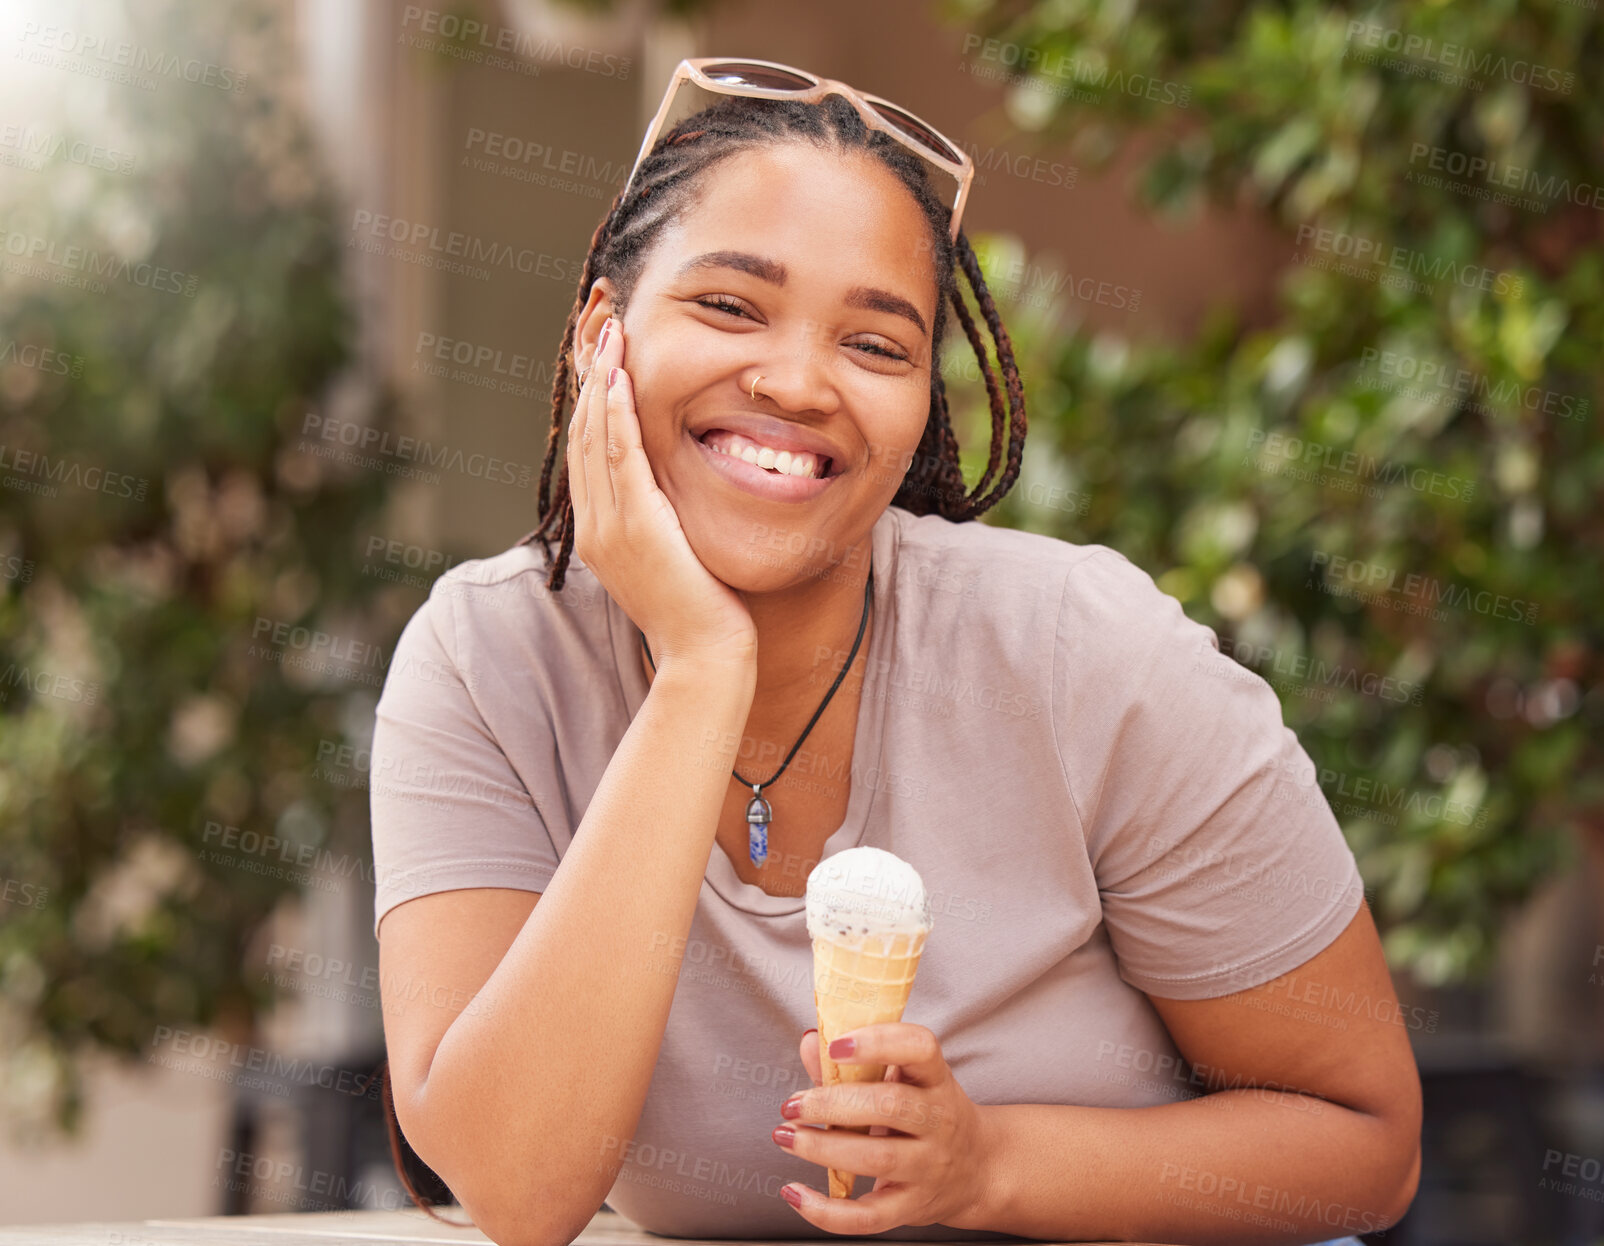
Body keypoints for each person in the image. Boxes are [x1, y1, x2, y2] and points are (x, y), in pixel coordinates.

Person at [369, 58, 1420, 1246]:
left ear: (925, 394)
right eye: (728, 304)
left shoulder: (1087, 657)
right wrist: (703, 670)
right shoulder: (486, 660)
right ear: (600, 336)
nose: (794, 381)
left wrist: (991, 1166)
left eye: (873, 344)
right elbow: (518, 1186)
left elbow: (1361, 1146)